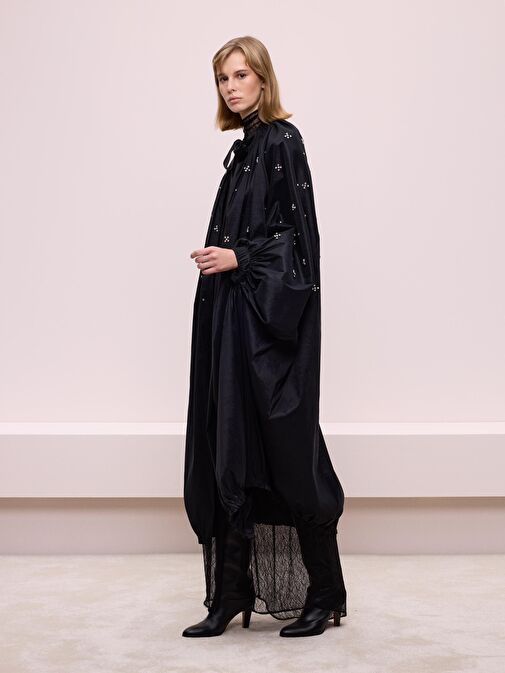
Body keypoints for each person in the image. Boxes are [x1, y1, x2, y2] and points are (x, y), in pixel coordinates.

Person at [182, 35, 347, 638]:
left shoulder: (281, 141)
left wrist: (239, 259)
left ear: (263, 78)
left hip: (267, 334)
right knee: (231, 446)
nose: (231, 87)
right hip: (234, 324)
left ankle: (324, 594)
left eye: (241, 75)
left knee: (287, 451)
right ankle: (230, 593)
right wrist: (224, 261)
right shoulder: (245, 150)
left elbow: (299, 247)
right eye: (222, 78)